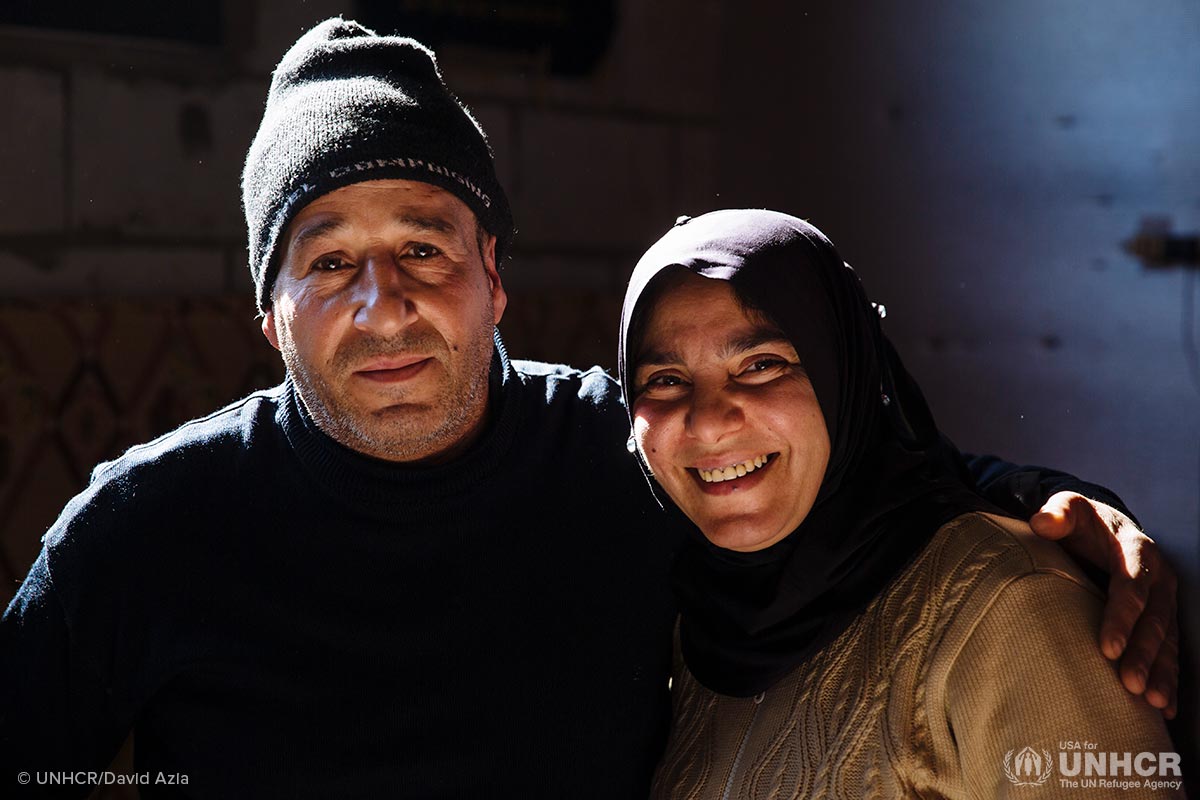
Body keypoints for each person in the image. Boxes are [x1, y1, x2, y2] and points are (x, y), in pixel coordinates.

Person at [0, 19, 1178, 799]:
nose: (385, 302)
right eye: (326, 261)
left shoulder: (621, 456)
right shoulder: (146, 526)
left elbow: (842, 463)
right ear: (270, 316)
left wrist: (1043, 502)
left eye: (424, 244)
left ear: (494, 276)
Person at [617, 209, 1181, 799]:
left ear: (848, 377)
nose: (707, 424)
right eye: (664, 379)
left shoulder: (1011, 604)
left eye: (762, 365)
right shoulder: (690, 618)